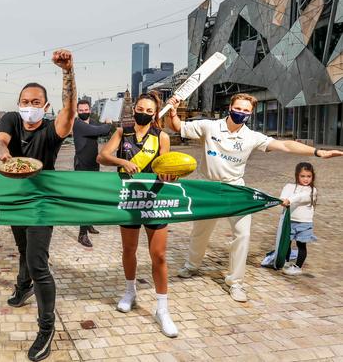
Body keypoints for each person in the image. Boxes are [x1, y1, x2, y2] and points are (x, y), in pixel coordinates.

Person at [166, 93, 343, 302]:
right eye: (238, 108)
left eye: (246, 111)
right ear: (230, 107)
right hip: (208, 188)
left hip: (236, 189)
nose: (241, 113)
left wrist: (317, 152)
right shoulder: (209, 127)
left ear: (250, 114)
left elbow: (286, 145)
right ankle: (192, 266)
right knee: (200, 232)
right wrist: (172, 112)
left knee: (243, 235)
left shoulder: (252, 137)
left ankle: (236, 282)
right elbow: (178, 127)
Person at [0, 49, 76, 362]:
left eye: (36, 102)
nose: (29, 107)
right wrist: (3, 153)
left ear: (45, 106)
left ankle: (46, 328)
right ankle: (22, 285)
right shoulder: (12, 119)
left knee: (38, 261)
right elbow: (1, 140)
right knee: (23, 248)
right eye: (25, 102)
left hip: (43, 202)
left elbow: (69, 113)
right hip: (16, 199)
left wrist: (68, 72)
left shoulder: (52, 128)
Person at [97, 91, 179, 338]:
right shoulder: (123, 133)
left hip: (155, 198)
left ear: (155, 114)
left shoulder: (161, 136)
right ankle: (130, 291)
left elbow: (165, 166)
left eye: (148, 111)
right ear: (134, 110)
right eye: (140, 109)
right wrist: (122, 163)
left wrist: (170, 174)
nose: (143, 113)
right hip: (131, 198)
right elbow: (101, 157)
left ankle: (162, 309)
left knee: (159, 255)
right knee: (129, 250)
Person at [73, 99, 112, 247]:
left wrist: (106, 125)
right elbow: (100, 131)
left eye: (85, 110)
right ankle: (82, 234)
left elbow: (101, 128)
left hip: (93, 163)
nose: (83, 112)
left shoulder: (92, 121)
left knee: (92, 196)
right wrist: (108, 124)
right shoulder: (78, 124)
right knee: (84, 199)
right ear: (78, 112)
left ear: (90, 110)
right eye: (81, 110)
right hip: (82, 165)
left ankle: (88, 224)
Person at [279, 162, 318, 276]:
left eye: (309, 176)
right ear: (297, 175)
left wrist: (289, 200)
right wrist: (282, 200)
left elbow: (300, 197)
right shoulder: (289, 186)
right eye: (303, 176)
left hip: (304, 223)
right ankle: (286, 263)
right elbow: (283, 196)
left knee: (301, 245)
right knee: (287, 243)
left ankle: (298, 266)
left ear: (312, 176)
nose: (306, 179)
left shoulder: (312, 190)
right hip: (290, 221)